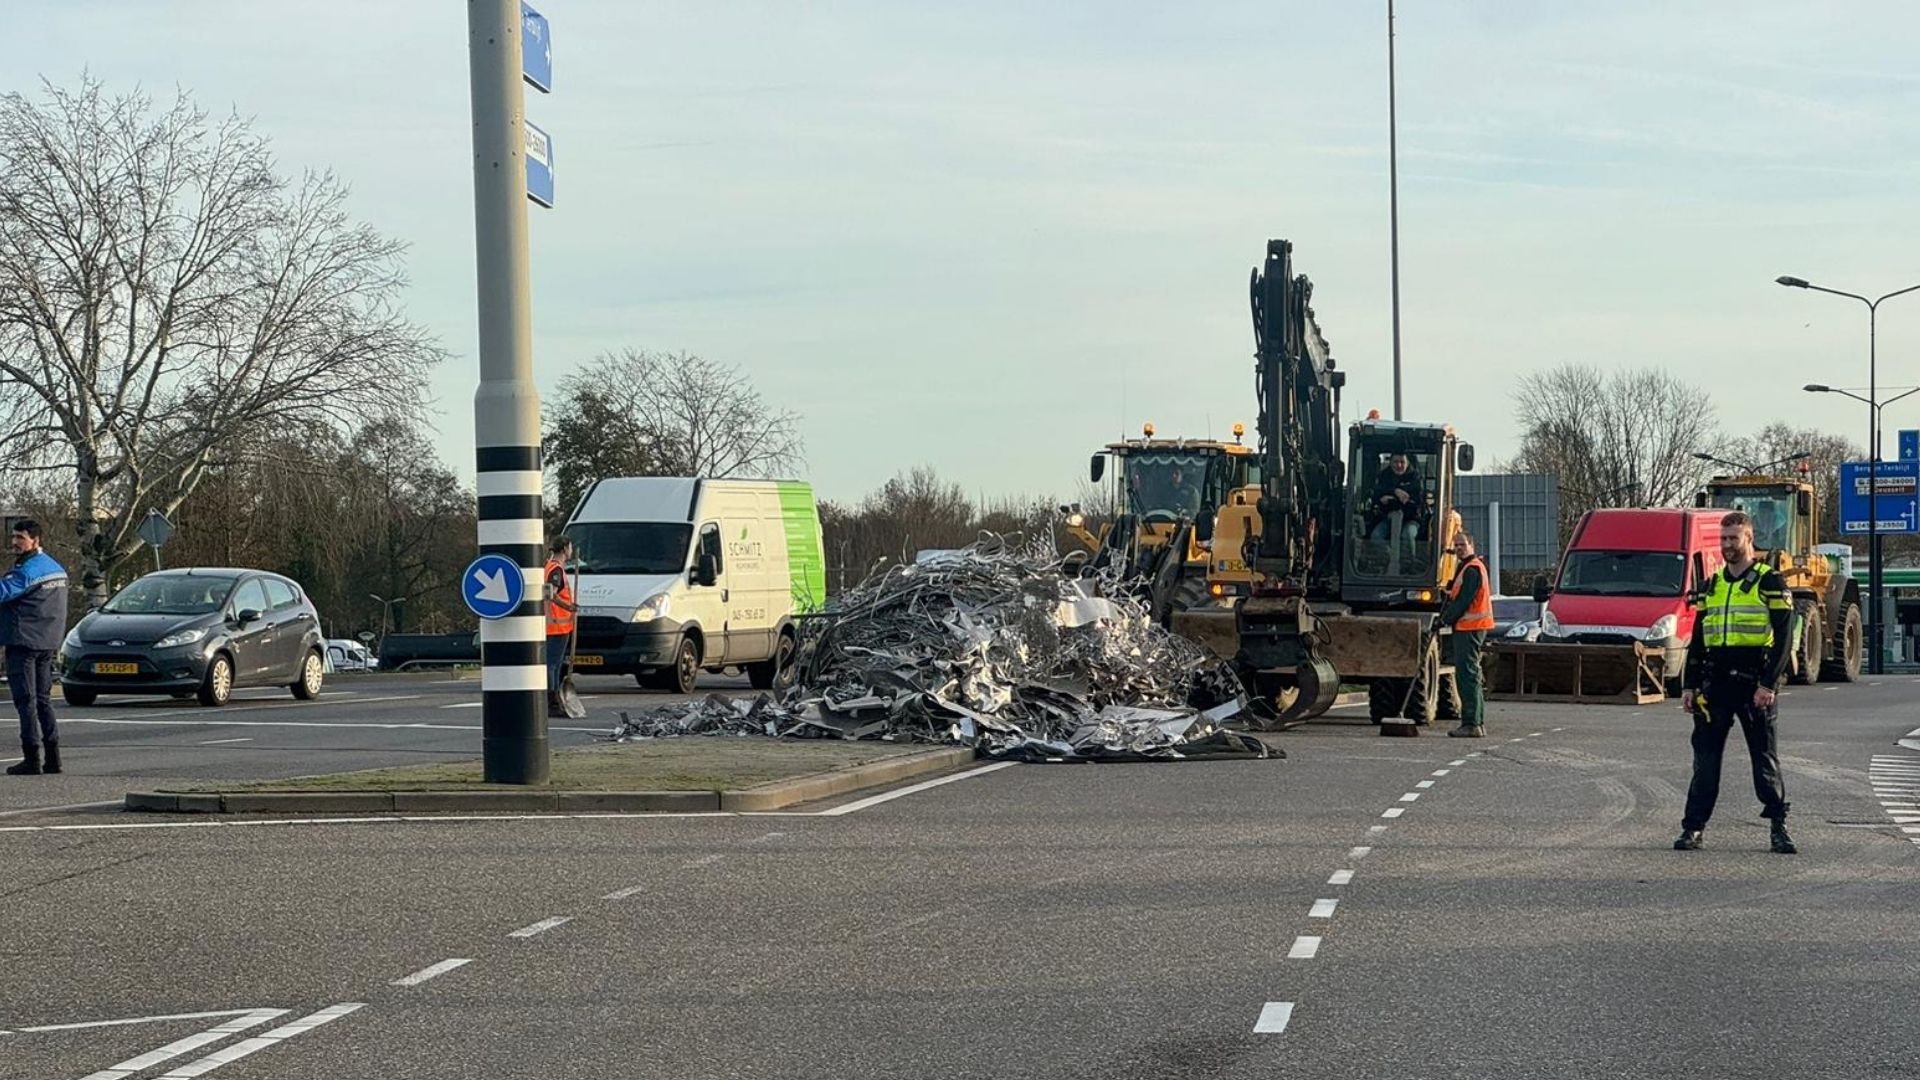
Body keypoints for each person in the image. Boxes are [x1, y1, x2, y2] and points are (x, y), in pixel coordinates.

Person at [1675, 510, 1796, 854]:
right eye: (1723, 538)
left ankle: (1778, 827)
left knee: (1764, 759)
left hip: (1754, 683)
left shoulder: (1769, 581)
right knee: (1705, 762)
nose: (1728, 545)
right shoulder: (1712, 585)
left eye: (1734, 538)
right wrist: (1689, 685)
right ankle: (1693, 828)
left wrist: (1769, 684)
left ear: (1749, 539)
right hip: (1715, 684)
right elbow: (1699, 639)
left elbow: (1784, 638)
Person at [1, 520, 70, 776]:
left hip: (23, 641)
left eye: (20, 537)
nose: (14, 542)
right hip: (47, 641)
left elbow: (3, 592)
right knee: (43, 701)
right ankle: (53, 758)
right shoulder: (55, 567)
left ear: (35, 540)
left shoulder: (27, 571)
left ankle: (31, 758)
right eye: (14, 537)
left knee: (25, 701)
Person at [1440, 529, 1494, 738]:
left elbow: (1463, 601)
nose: (1459, 548)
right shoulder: (1467, 568)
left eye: (1462, 544)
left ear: (1472, 545)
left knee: (1467, 675)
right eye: (1456, 545)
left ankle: (1471, 723)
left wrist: (1445, 619)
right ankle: (1475, 723)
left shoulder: (1472, 570)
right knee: (1470, 674)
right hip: (1470, 627)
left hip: (1470, 628)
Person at [544, 536, 577, 708]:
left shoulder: (549, 566)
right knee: (553, 664)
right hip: (557, 625)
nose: (571, 550)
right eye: (570, 547)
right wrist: (569, 606)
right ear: (565, 549)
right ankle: (552, 699)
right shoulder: (556, 570)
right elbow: (551, 594)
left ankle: (554, 696)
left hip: (553, 623)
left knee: (554, 663)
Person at [1370, 453, 1425, 543]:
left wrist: (1391, 495)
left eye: (1402, 462)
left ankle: (1410, 553)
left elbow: (1416, 495)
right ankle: (1386, 552)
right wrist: (1395, 491)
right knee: (1376, 536)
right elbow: (1377, 492)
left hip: (1411, 519)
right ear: (1390, 463)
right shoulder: (1384, 476)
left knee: (1408, 535)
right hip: (1387, 518)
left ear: (1407, 463)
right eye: (1395, 462)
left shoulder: (1415, 477)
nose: (1399, 465)